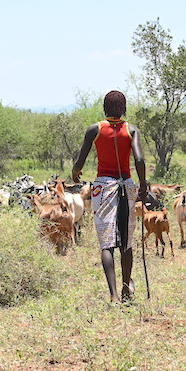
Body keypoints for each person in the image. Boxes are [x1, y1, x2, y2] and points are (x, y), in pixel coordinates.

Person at [72, 90, 148, 302]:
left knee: (107, 243)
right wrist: (143, 186)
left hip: (103, 187)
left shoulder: (94, 129)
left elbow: (80, 161)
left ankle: (113, 295)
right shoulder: (131, 130)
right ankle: (126, 289)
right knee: (126, 240)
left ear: (105, 108)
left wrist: (75, 173)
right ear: (123, 108)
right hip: (127, 185)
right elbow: (140, 161)